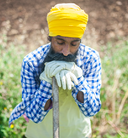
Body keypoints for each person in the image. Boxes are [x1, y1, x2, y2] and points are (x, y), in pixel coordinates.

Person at [9, 3, 102, 138]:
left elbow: (91, 110)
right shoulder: (32, 62)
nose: (66, 52)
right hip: (40, 135)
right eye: (60, 43)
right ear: (50, 38)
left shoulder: (90, 59)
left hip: (78, 134)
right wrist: (46, 81)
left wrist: (78, 79)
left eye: (74, 44)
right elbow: (34, 116)